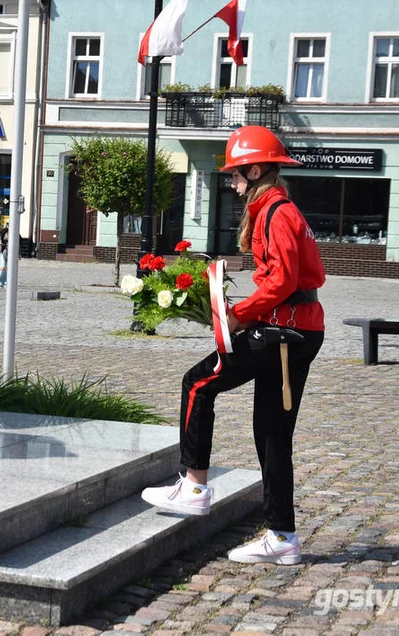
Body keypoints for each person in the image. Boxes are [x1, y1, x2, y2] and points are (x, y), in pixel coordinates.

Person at [140, 125, 326, 566]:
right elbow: (285, 279)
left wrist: (239, 315)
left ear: (256, 169)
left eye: (238, 175)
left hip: (283, 331)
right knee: (272, 436)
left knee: (198, 384)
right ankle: (283, 538)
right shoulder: (277, 208)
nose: (233, 183)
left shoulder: (275, 212)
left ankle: (195, 486)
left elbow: (280, 281)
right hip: (299, 329)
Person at [0, 221, 10, 290]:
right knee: (3, 267)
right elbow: (0, 239)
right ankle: (1, 282)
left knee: (9, 268)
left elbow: (19, 242)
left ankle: (6, 283)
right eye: (8, 224)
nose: (10, 225)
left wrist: (19, 253)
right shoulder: (3, 231)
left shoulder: (16, 232)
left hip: (11, 253)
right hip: (3, 251)